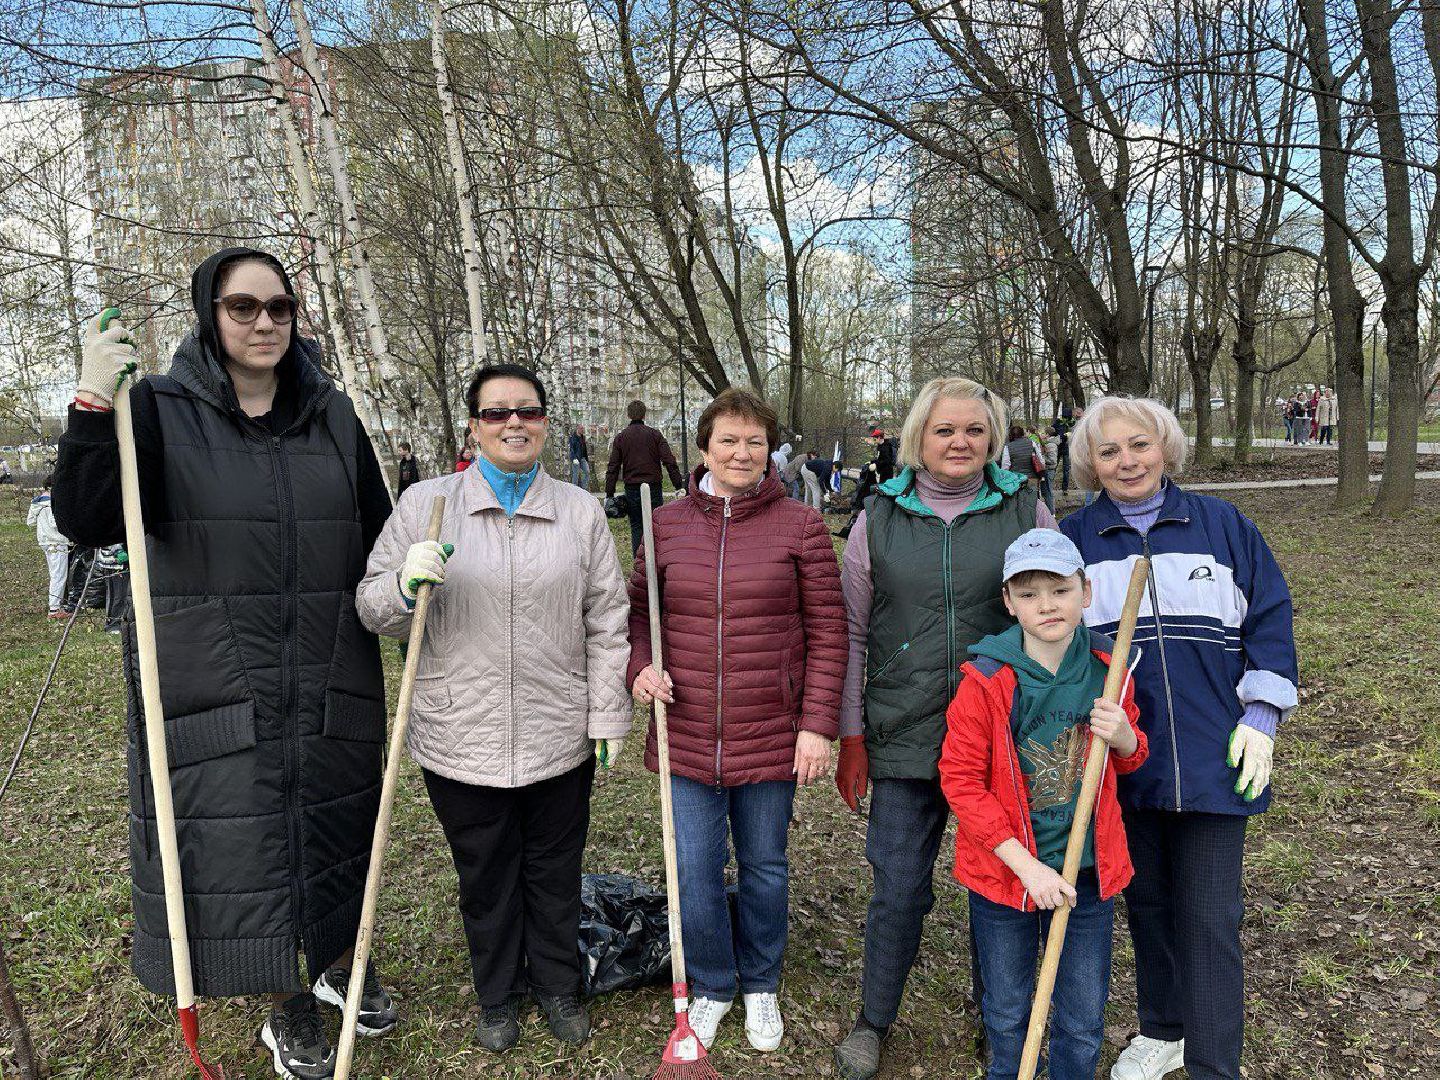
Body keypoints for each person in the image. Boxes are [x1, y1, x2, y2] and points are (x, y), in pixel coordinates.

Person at [53, 248, 397, 1078]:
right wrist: (96, 405)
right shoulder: (161, 410)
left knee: (338, 829)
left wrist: (407, 575)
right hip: (214, 674)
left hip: (327, 670)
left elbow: (378, 538)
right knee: (249, 851)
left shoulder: (334, 417)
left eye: (279, 308)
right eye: (244, 307)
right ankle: (287, 1010)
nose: (264, 323)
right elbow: (86, 518)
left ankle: (339, 961)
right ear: (210, 312)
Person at [358, 362, 631, 1056]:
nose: (515, 423)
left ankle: (558, 985)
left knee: (554, 871)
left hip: (557, 731)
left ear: (545, 421)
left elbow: (607, 620)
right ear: (474, 426)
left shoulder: (579, 511)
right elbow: (371, 607)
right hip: (460, 734)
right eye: (497, 412)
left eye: (529, 411)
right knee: (485, 876)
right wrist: (401, 580)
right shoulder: (428, 503)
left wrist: (606, 714)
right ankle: (497, 994)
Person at [1060, 397, 1297, 1080]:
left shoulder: (1222, 527)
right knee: (1150, 901)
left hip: (1215, 759)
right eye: (1109, 452)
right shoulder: (1074, 541)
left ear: (1166, 448)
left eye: (1140, 445)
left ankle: (1214, 1063)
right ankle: (1164, 1028)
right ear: (1090, 464)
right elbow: (1055, 644)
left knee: (1210, 918)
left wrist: (1261, 716)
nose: (1127, 461)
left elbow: (1271, 622)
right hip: (1122, 761)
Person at [831, 377, 1058, 1080]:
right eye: (944, 430)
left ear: (993, 438)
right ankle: (874, 1019)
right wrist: (851, 734)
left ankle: (1002, 1019)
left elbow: (1059, 619)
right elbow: (851, 631)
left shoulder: (1026, 508)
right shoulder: (879, 516)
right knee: (898, 884)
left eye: (974, 430)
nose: (960, 443)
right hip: (905, 730)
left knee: (1003, 884)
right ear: (917, 440)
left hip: (1004, 734)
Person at [628, 388, 846, 1054]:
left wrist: (817, 726)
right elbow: (639, 617)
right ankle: (715, 985)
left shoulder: (801, 526)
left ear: (769, 449)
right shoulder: (664, 524)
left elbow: (829, 631)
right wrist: (638, 669)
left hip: (771, 730)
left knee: (765, 867)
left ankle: (760, 983)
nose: (742, 452)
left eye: (755, 441)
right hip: (686, 731)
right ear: (703, 448)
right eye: (728, 440)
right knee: (693, 870)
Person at [939, 529, 1147, 1080]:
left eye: (1059, 589)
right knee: (1007, 1011)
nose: (1047, 605)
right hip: (1005, 877)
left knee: (1081, 1016)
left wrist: (1125, 736)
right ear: (1008, 603)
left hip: (1087, 876)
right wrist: (1026, 867)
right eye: (1029, 594)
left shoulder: (1110, 665)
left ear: (1086, 591)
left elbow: (1129, 760)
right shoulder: (986, 680)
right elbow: (961, 782)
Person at [605, 398, 684, 554]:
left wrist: (609, 493)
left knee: (636, 526)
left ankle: (640, 565)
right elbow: (669, 460)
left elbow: (613, 467)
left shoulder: (621, 437)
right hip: (653, 486)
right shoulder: (655, 435)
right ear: (644, 415)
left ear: (628, 415)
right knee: (655, 525)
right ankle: (657, 561)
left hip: (632, 489)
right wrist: (678, 485)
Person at [27, 474, 69, 619]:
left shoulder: (36, 502)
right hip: (57, 542)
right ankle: (54, 610)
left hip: (45, 542)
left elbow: (30, 521)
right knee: (59, 576)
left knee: (54, 574)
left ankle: (57, 605)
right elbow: (55, 523)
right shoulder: (53, 502)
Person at [569, 424, 592, 489]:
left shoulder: (582, 437)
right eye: (581, 428)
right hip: (576, 459)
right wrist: (574, 458)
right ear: (577, 429)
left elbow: (584, 449)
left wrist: (586, 458)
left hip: (582, 458)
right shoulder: (573, 437)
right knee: (576, 474)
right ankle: (574, 489)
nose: (583, 430)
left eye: (583, 429)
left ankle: (583, 489)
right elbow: (571, 449)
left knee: (587, 472)